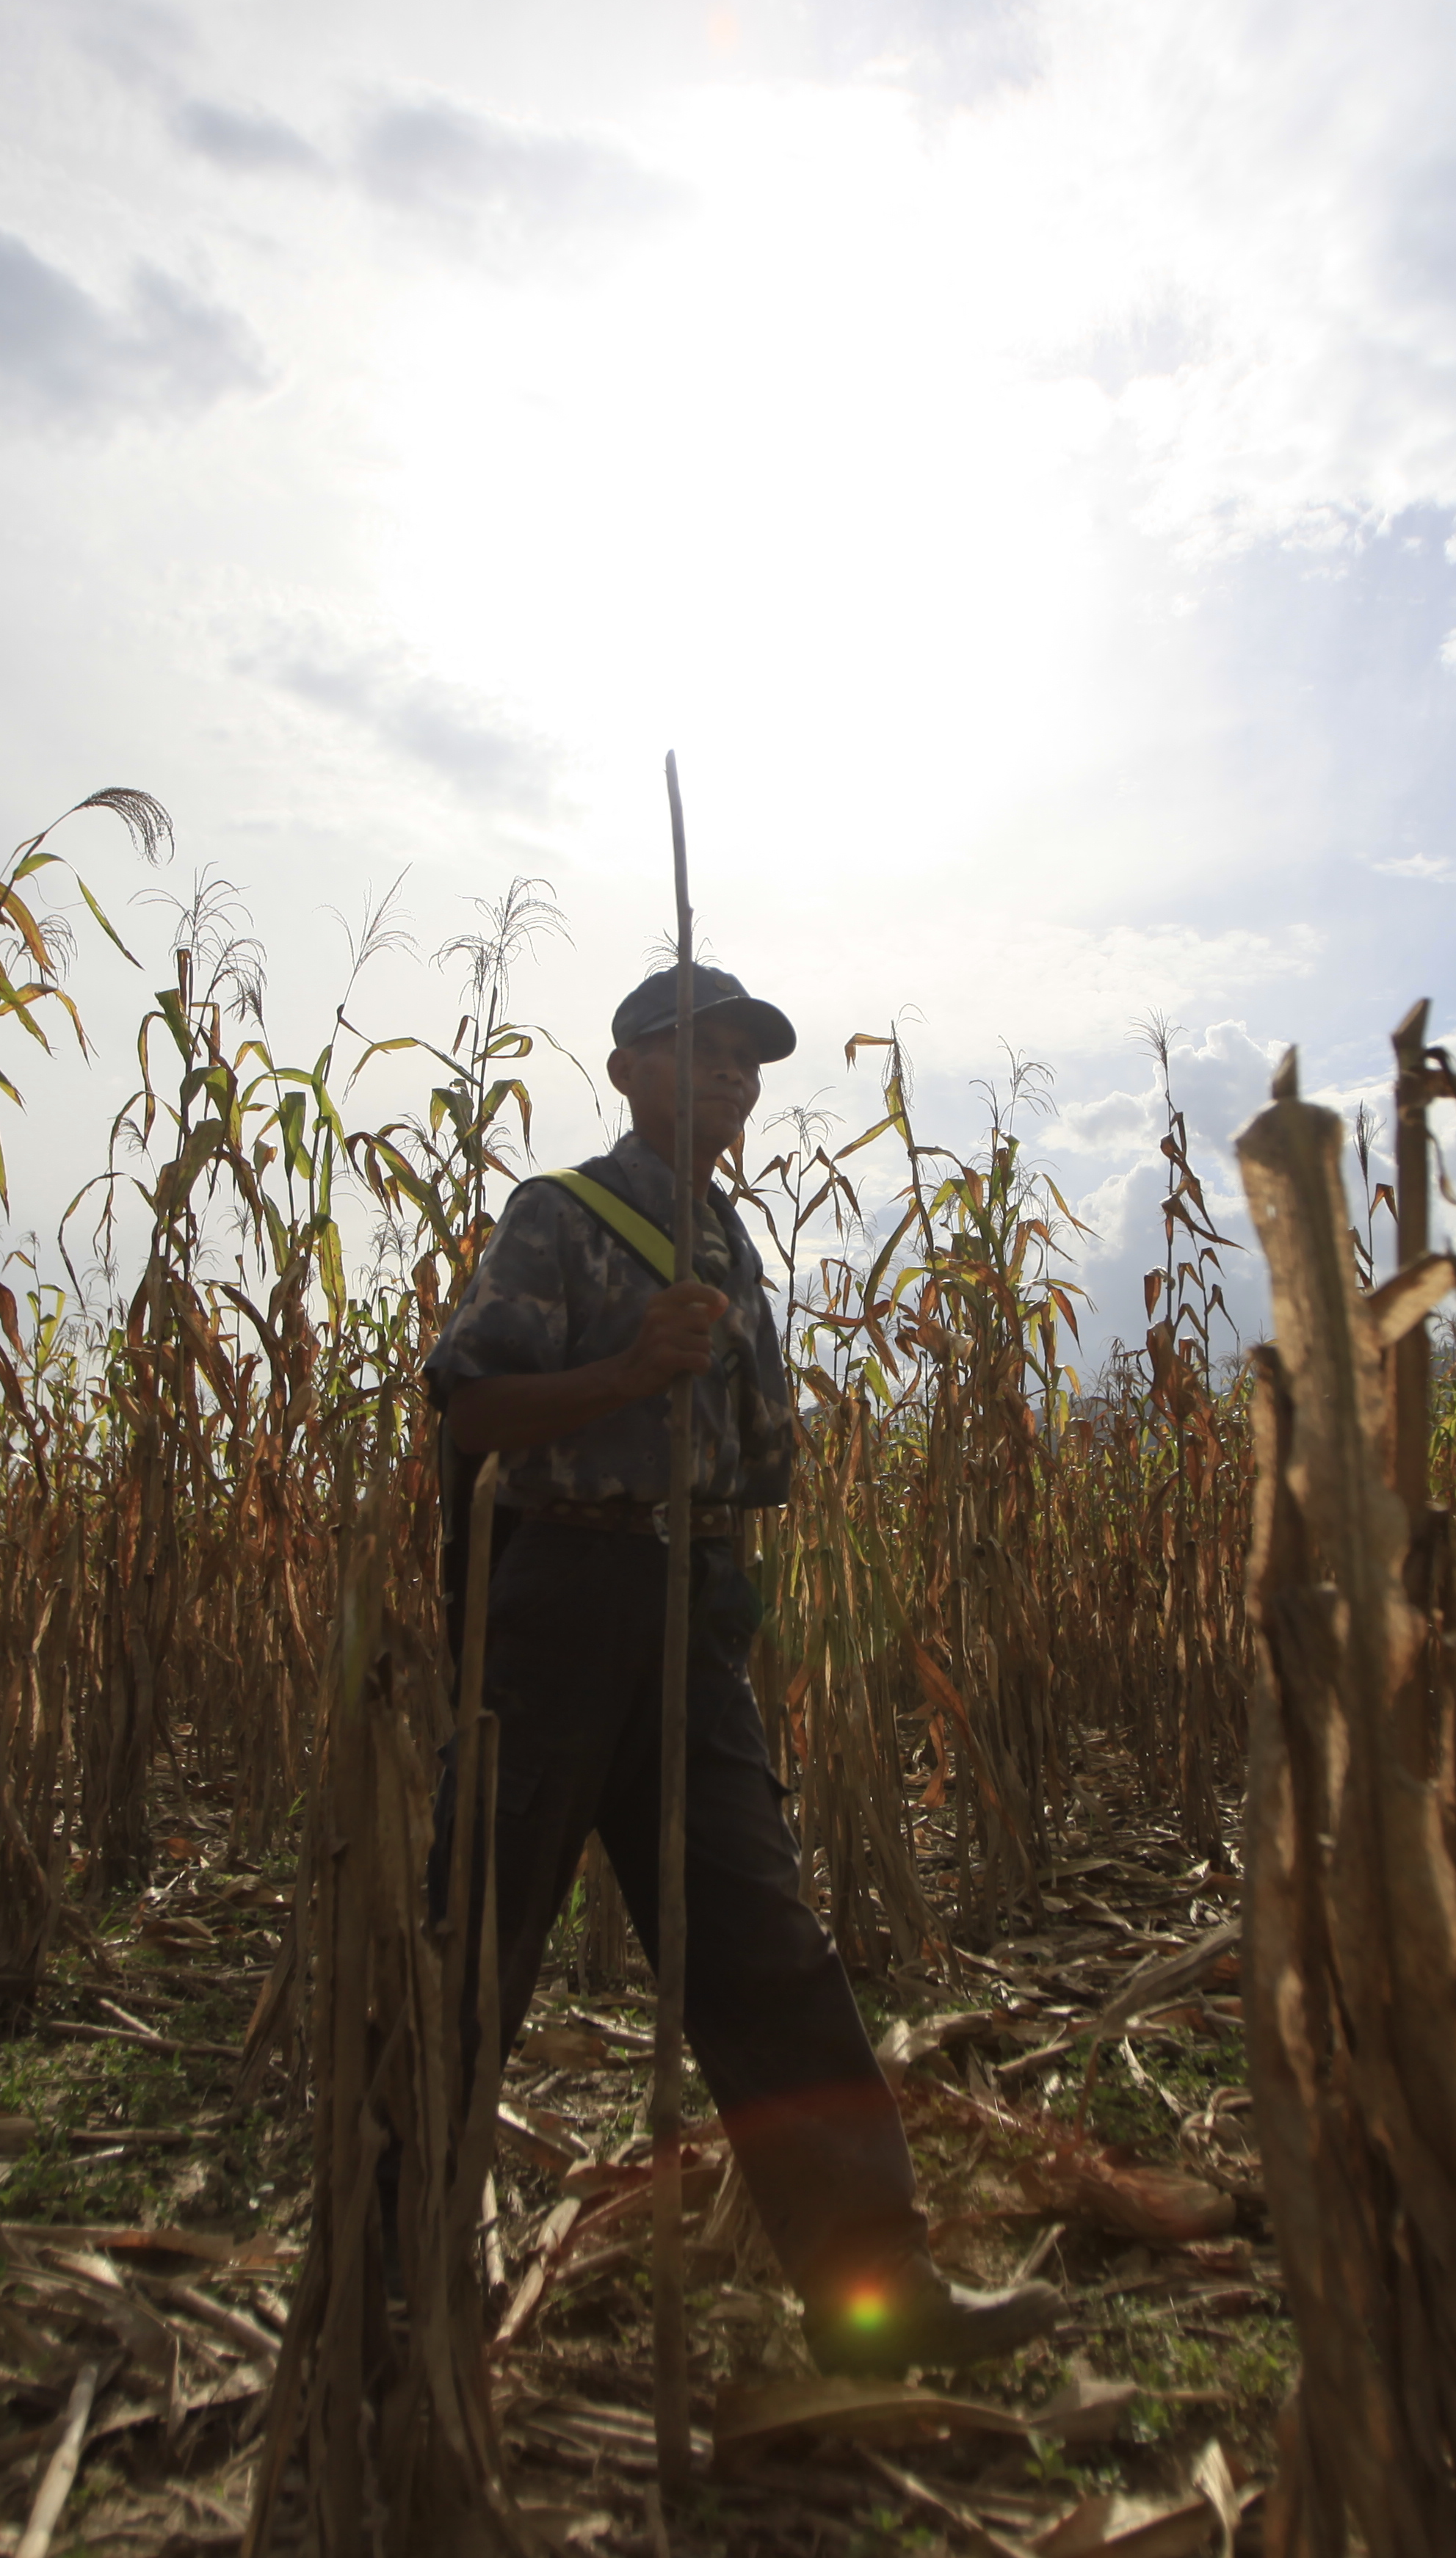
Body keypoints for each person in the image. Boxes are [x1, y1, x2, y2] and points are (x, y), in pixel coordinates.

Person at [422, 961, 1060, 2376]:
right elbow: (470, 1403)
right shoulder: (565, 1218)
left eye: (749, 1063)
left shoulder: (726, 1235)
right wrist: (627, 1372)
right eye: (701, 1055)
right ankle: (396, 2294)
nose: (733, 1081)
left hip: (686, 1606)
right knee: (471, 1943)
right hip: (560, 1604)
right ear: (630, 1069)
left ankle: (872, 2288)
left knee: (763, 1945)